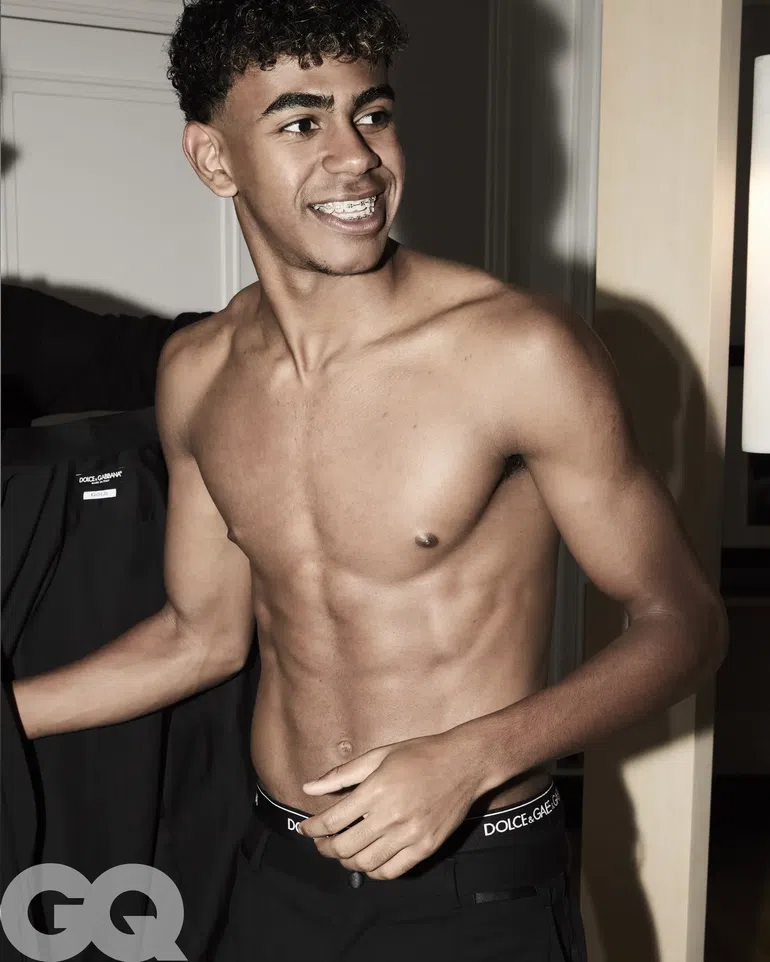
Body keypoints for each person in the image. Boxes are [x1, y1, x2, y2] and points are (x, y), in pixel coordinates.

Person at [11, 1, 728, 959]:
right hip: (273, 870)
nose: (355, 157)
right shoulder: (198, 373)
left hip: (474, 878)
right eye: (300, 123)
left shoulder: (520, 351)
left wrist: (472, 757)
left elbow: (684, 624)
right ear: (214, 158)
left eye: (373, 114)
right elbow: (199, 638)